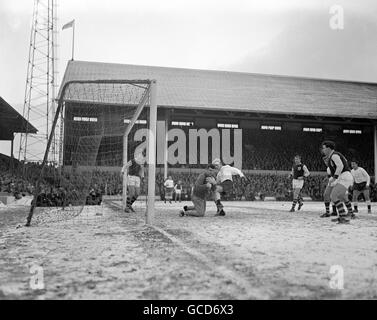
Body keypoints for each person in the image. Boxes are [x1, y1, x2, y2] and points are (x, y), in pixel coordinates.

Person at [321, 141, 354, 224]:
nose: (323, 150)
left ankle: (343, 217)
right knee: (339, 196)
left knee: (333, 196)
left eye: (324, 148)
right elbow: (344, 162)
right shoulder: (335, 155)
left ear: (328, 148)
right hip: (343, 176)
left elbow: (340, 166)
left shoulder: (334, 155)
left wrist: (334, 177)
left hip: (344, 176)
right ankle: (344, 216)